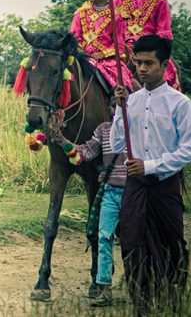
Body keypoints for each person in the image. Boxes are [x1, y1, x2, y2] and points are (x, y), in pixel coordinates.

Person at [109, 35, 191, 313]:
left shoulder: (179, 103)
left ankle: (172, 299)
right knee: (132, 242)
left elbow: (190, 149)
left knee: (171, 243)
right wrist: (118, 110)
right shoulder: (131, 101)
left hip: (164, 185)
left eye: (149, 63)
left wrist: (150, 165)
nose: (142, 69)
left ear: (164, 64)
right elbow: (116, 144)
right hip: (135, 187)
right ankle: (141, 302)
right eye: (138, 63)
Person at [60, 121, 125, 307]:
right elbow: (86, 152)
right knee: (104, 237)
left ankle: (139, 286)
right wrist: (61, 139)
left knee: (133, 240)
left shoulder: (139, 125)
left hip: (133, 192)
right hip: (110, 191)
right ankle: (104, 288)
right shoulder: (104, 129)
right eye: (114, 104)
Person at [117, 0, 180, 90]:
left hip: (150, 45)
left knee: (168, 70)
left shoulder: (160, 1)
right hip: (123, 45)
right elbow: (113, 25)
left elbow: (163, 31)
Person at [72, 0, 133, 88]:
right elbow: (74, 38)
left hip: (108, 62)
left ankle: (120, 105)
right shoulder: (80, 14)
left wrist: (103, 54)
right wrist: (81, 52)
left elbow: (120, 46)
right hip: (83, 59)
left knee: (120, 84)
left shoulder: (117, 16)